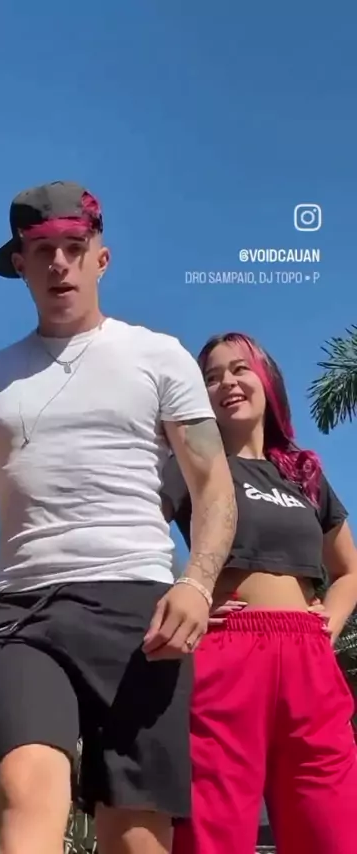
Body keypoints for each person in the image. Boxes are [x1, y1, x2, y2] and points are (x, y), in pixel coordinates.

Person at [0, 181, 236, 854]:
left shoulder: (159, 355)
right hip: (20, 613)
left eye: (74, 247)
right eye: (42, 251)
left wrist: (197, 582)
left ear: (101, 258)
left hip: (138, 611)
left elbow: (213, 486)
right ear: (21, 265)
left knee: (135, 833)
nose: (59, 263)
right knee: (23, 793)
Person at [162, 331, 357, 854]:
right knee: (213, 832)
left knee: (332, 830)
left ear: (267, 380)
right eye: (211, 377)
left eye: (239, 369)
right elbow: (134, 534)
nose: (226, 382)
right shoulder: (191, 465)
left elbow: (349, 570)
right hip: (226, 650)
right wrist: (185, 593)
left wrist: (328, 623)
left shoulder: (305, 476)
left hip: (309, 659)